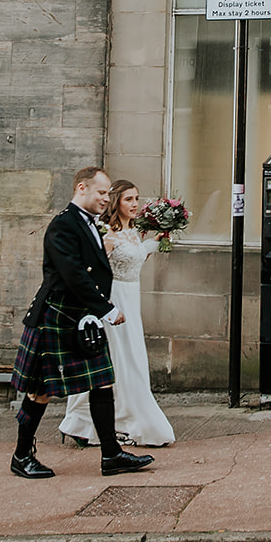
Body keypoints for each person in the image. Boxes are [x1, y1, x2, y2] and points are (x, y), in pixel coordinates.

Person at [9, 166, 155, 480]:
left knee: (103, 382)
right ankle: (22, 456)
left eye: (107, 193)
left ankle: (111, 455)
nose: (106, 198)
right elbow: (73, 273)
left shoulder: (92, 224)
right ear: (81, 189)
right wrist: (107, 308)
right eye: (101, 192)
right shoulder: (64, 225)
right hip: (58, 314)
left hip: (81, 318)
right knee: (40, 391)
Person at [59, 180, 175, 448]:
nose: (134, 204)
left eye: (136, 199)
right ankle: (90, 421)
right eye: (128, 200)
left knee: (131, 356)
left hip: (132, 300)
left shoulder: (132, 231)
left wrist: (156, 241)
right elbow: (94, 270)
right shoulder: (107, 235)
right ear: (115, 203)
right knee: (121, 359)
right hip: (115, 300)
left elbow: (135, 257)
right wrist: (101, 306)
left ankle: (88, 422)